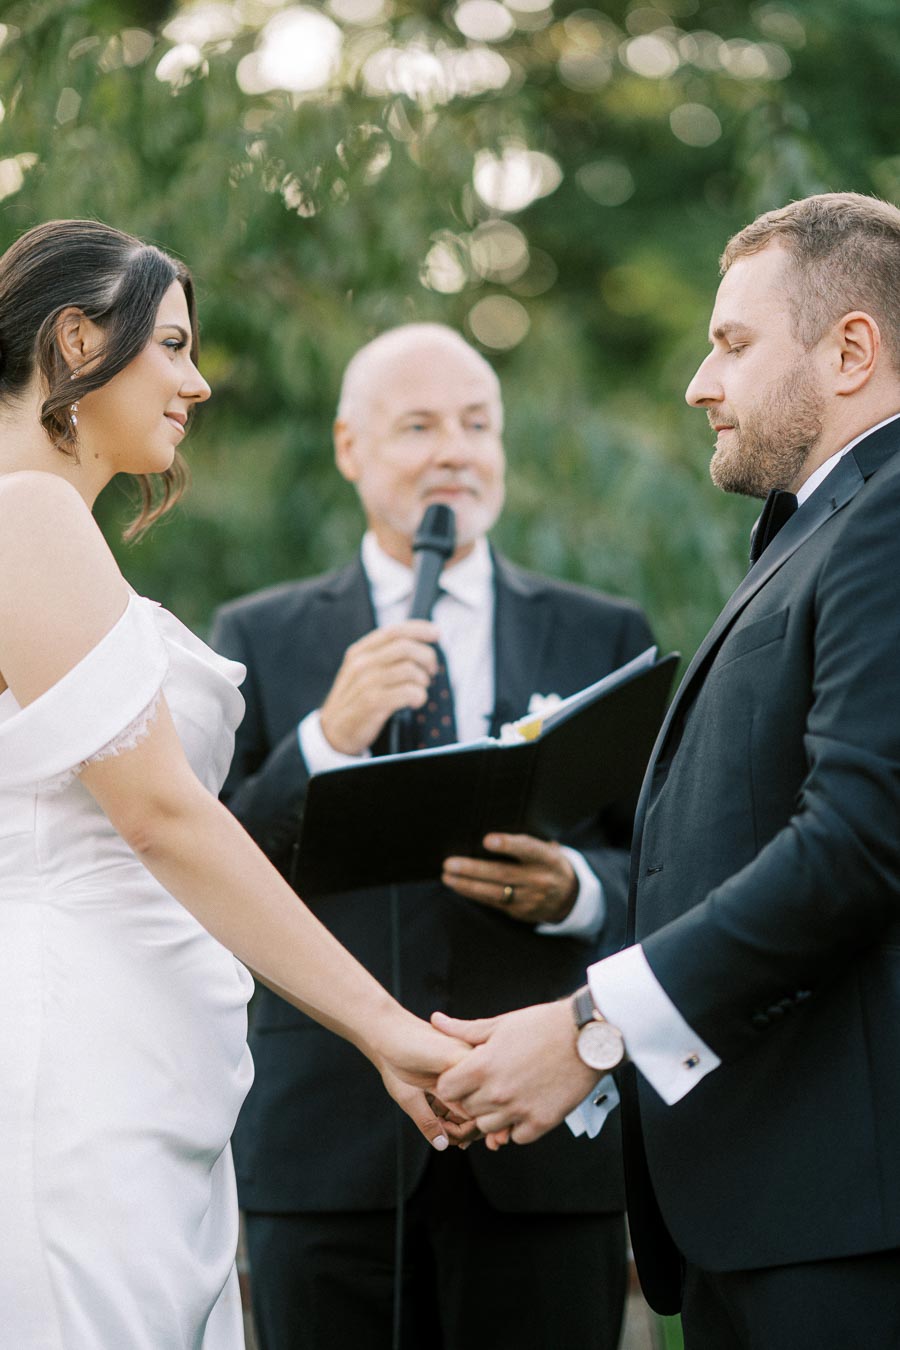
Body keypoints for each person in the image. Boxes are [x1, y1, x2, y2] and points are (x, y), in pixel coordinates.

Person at [436, 191, 900, 1349]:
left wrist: (594, 1026)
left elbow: (859, 840)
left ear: (852, 351)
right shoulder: (828, 525)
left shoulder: (889, 520)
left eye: (733, 343)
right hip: (768, 1214)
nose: (700, 381)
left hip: (847, 1225)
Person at [0, 220, 472, 1350]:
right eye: (170, 345)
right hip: (77, 1062)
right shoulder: (26, 513)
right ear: (76, 340)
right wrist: (384, 1027)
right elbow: (164, 814)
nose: (197, 381)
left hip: (144, 1058)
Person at [211, 322, 655, 1350]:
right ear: (349, 448)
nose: (455, 449)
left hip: (543, 1149)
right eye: (418, 425)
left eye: (477, 424)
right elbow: (214, 867)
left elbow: (674, 865)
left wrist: (579, 890)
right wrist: (329, 733)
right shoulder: (261, 636)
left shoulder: (604, 633)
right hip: (329, 1147)